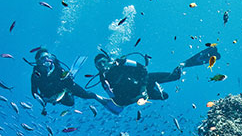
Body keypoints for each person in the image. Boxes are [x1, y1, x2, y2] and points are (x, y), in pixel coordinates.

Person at [92, 46, 220, 108]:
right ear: (97, 68)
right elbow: (118, 102)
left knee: (175, 76)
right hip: (137, 95)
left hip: (146, 80)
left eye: (104, 62)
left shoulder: (121, 63)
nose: (102, 66)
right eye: (99, 65)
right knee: (164, 97)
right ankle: (155, 91)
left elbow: (142, 68)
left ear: (109, 60)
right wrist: (136, 97)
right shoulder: (104, 81)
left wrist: (143, 87)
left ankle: (184, 64)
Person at [30, 48, 121, 115]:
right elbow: (34, 92)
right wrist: (44, 100)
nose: (47, 60)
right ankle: (68, 95)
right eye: (43, 58)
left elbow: (64, 74)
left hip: (64, 86)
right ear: (38, 62)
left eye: (47, 57)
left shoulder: (56, 66)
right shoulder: (36, 75)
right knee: (70, 103)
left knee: (87, 94)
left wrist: (68, 76)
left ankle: (101, 99)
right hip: (51, 94)